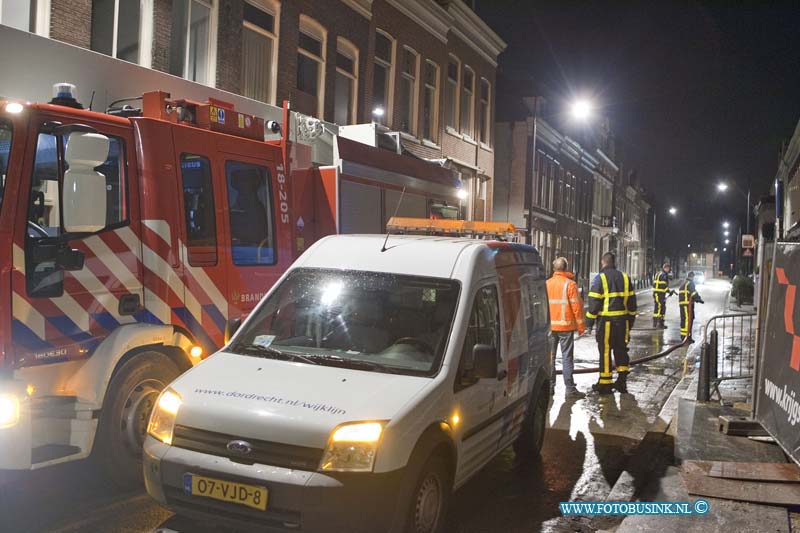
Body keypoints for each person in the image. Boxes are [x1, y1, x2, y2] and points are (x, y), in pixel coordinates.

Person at [585, 253, 638, 395]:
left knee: (606, 351)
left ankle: (605, 383)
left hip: (606, 322)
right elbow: (632, 304)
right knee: (621, 349)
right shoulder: (625, 278)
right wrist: (630, 321)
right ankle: (622, 381)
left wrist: (589, 323)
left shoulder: (600, 278)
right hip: (623, 322)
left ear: (603, 262)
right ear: (614, 262)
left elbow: (594, 303)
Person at [546, 257, 587, 399]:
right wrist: (581, 326)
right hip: (566, 327)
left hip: (550, 328)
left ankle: (549, 388)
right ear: (566, 268)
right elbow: (577, 307)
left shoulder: (547, 284)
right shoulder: (570, 285)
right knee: (567, 357)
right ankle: (569, 389)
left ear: (554, 269)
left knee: (549, 358)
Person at [679, 271, 704, 343]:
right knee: (688, 320)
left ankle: (684, 337)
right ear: (692, 277)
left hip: (683, 304)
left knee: (684, 320)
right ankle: (687, 338)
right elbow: (693, 293)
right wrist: (698, 299)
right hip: (687, 305)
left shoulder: (684, 283)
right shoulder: (690, 283)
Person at [652, 263, 676, 329]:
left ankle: (660, 323)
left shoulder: (659, 273)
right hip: (659, 294)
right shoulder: (663, 275)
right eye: (668, 269)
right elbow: (663, 285)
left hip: (658, 293)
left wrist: (668, 291)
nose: (668, 270)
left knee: (662, 308)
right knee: (659, 308)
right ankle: (657, 323)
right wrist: (669, 291)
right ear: (666, 268)